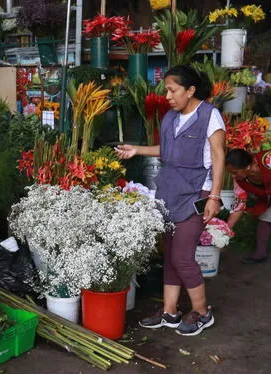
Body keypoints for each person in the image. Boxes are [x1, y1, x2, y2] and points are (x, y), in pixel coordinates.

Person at [116, 65, 226, 336]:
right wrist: (137, 150)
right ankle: (170, 312)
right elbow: (166, 151)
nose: (167, 96)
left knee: (182, 257)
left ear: (190, 90)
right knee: (171, 256)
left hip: (196, 194)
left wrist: (214, 196)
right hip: (170, 193)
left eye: (173, 90)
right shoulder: (170, 118)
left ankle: (202, 312)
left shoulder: (210, 116)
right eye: (166, 90)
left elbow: (218, 156)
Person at [225, 148, 271, 264]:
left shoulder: (267, 160)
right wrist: (227, 229)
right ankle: (260, 254)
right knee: (264, 219)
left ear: (248, 167)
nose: (233, 176)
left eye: (235, 172)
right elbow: (240, 203)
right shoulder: (241, 181)